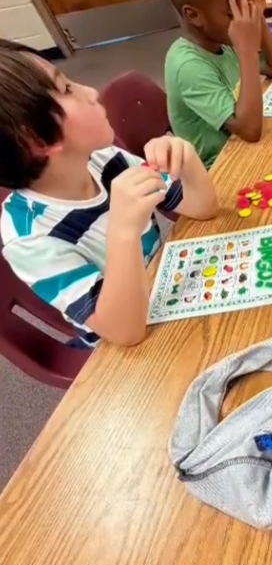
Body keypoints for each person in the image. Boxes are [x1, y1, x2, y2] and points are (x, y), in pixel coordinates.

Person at [0, 47, 219, 348]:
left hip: (166, 293)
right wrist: (123, 231)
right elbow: (127, 332)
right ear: (37, 139)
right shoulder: (29, 239)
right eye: (66, 89)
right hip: (122, 353)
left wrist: (187, 159)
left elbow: (202, 207)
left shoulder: (103, 159)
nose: (90, 91)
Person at [162, 0, 272, 169]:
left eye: (242, 9)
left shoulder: (222, 41)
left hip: (244, 151)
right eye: (232, 14)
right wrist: (247, 49)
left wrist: (256, 15)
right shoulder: (187, 66)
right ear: (194, 15)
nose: (241, 19)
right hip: (220, 171)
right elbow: (250, 130)